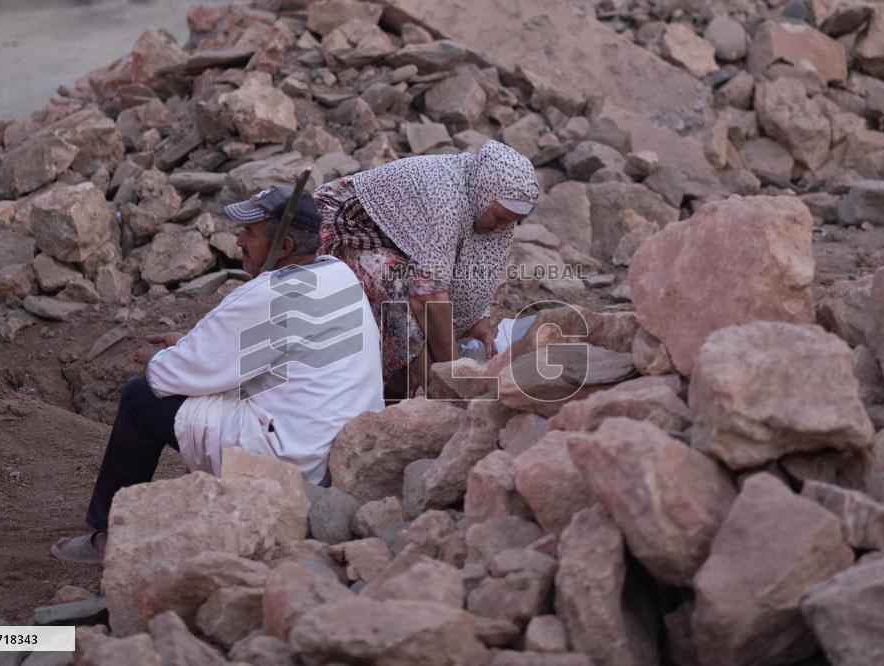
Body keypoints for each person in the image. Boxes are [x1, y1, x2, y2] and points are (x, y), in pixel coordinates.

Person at [51, 186, 385, 563]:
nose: (238, 241)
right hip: (334, 452)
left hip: (292, 458)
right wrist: (191, 347)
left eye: (250, 234)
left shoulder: (270, 293)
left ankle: (107, 536)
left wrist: (163, 357)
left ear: (286, 246)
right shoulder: (336, 274)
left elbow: (170, 377)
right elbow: (259, 349)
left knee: (140, 397)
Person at [312, 140, 539, 396]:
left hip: (401, 243)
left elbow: (476, 269)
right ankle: (433, 394)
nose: (502, 227)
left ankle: (418, 390)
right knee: (407, 289)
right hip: (343, 226)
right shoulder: (444, 195)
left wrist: (478, 322)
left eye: (511, 222)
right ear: (483, 194)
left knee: (431, 309)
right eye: (499, 217)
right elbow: (429, 294)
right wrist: (455, 377)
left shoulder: (492, 207)